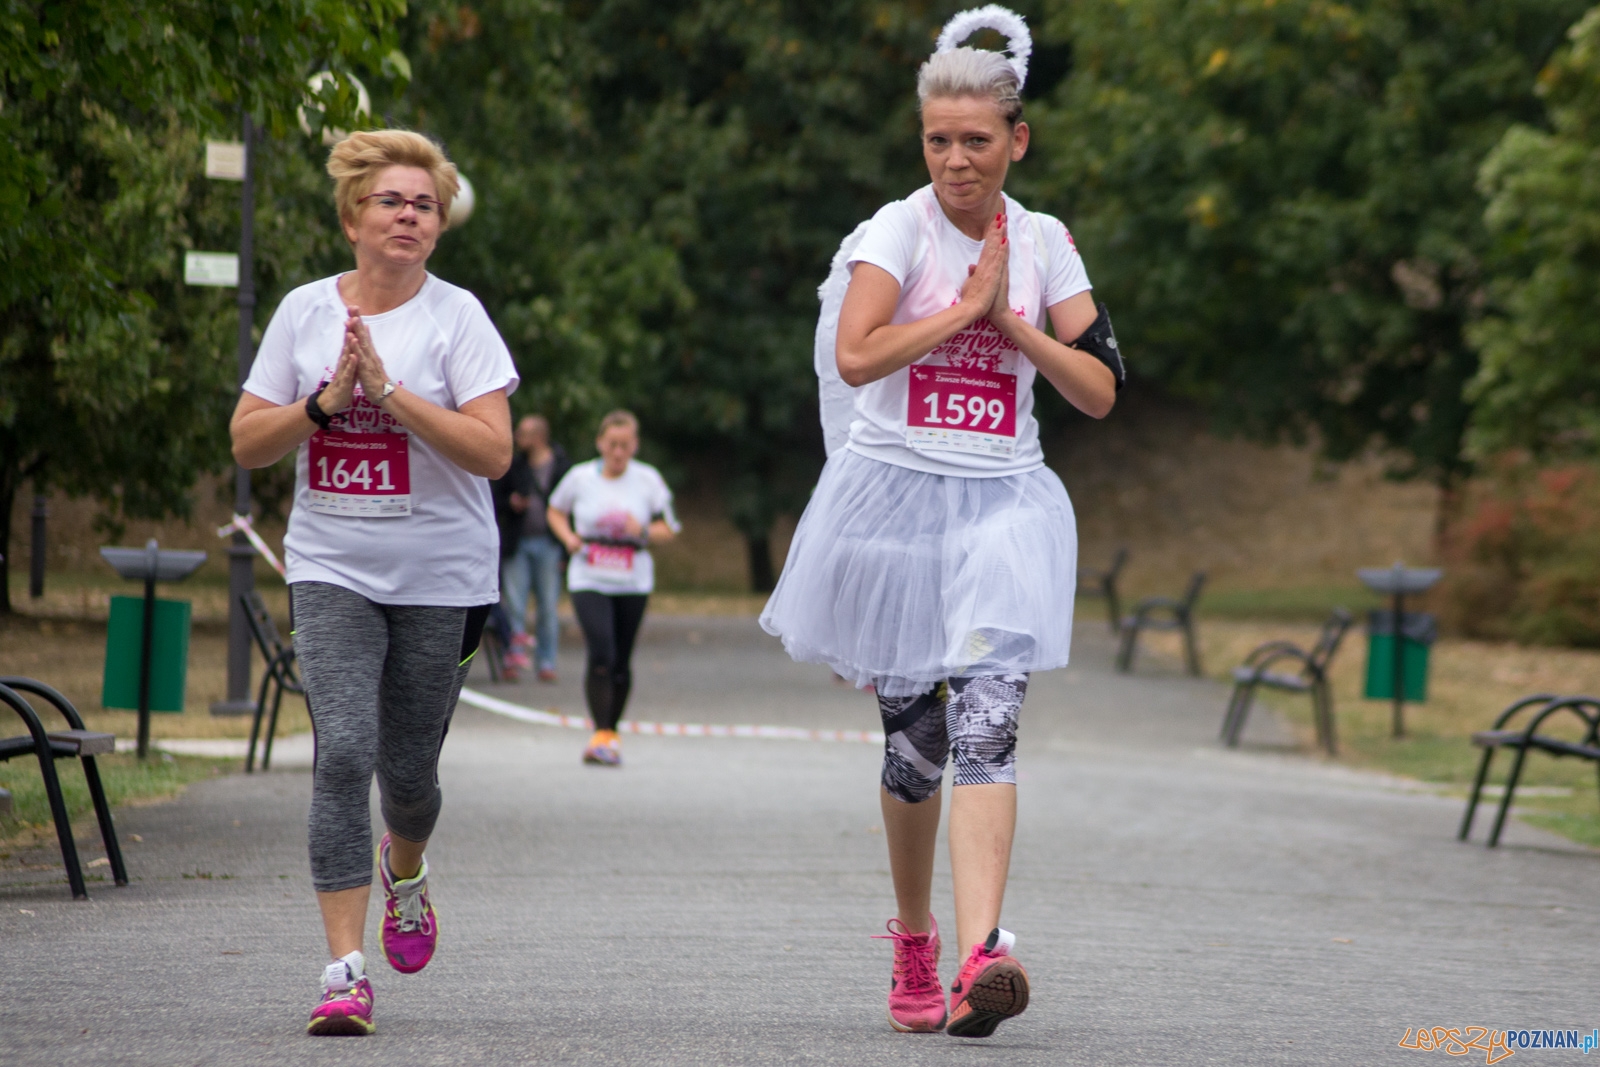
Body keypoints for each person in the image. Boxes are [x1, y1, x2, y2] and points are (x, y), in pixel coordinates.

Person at [759, 6, 1121, 1040]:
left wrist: (1010, 321)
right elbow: (858, 356)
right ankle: (916, 933)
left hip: (1005, 499)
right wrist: (961, 314)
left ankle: (980, 952)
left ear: (1017, 139)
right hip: (893, 503)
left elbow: (1100, 386)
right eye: (937, 139)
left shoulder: (1046, 241)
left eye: (976, 139)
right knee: (915, 746)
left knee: (990, 720)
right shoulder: (897, 228)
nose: (956, 159)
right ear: (921, 139)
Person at [229, 129, 517, 1036]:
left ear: (438, 225)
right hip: (332, 565)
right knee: (343, 749)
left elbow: (494, 451)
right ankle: (344, 970)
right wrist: (324, 404)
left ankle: (411, 868)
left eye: (423, 204)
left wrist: (389, 394)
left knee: (410, 778)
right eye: (391, 201)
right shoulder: (305, 313)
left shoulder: (457, 318)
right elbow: (247, 440)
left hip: (441, 574)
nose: (408, 215)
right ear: (353, 215)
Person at [546, 410, 679, 766]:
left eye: (625, 445)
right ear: (600, 444)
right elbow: (554, 511)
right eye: (612, 444)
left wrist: (645, 531)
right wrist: (569, 537)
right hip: (588, 576)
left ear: (634, 445)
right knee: (601, 651)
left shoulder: (648, 480)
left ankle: (610, 732)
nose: (618, 452)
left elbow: (672, 527)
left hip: (633, 578)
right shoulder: (579, 477)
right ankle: (601, 733)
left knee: (621, 658)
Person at [492, 414, 571, 681]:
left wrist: (566, 550)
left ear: (538, 437)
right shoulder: (513, 466)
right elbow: (495, 498)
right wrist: (510, 503)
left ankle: (546, 662)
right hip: (518, 543)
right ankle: (513, 658)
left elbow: (571, 509)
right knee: (515, 604)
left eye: (523, 433)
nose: (517, 438)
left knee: (548, 605)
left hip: (549, 543)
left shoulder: (561, 466)